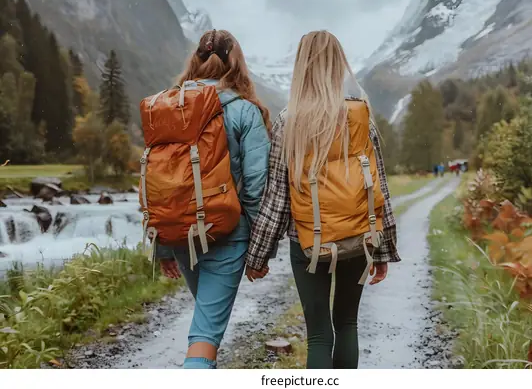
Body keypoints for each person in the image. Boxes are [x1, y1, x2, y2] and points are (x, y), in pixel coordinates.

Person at [245, 30, 400, 369]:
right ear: (337, 67)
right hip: (358, 238)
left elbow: (276, 199)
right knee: (347, 324)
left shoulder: (288, 122)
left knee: (318, 335)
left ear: (302, 67)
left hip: (308, 243)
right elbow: (379, 189)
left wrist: (258, 256)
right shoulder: (361, 117)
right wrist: (384, 249)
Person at [155, 29, 271, 370]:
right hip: (226, 233)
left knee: (207, 323)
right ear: (236, 63)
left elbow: (159, 182)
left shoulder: (167, 105)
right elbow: (256, 188)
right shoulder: (244, 111)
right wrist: (258, 250)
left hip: (179, 233)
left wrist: (164, 244)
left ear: (196, 59)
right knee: (205, 335)